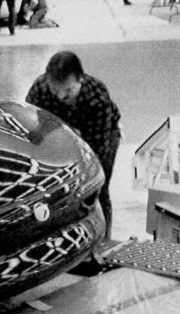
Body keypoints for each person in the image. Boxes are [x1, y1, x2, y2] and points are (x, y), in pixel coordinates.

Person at [25, 51, 121, 240]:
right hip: (57, 129)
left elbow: (97, 151)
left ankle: (102, 242)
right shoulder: (40, 88)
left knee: (98, 189)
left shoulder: (97, 98)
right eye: (55, 90)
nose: (61, 96)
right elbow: (29, 125)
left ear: (80, 80)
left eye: (68, 91)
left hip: (101, 134)